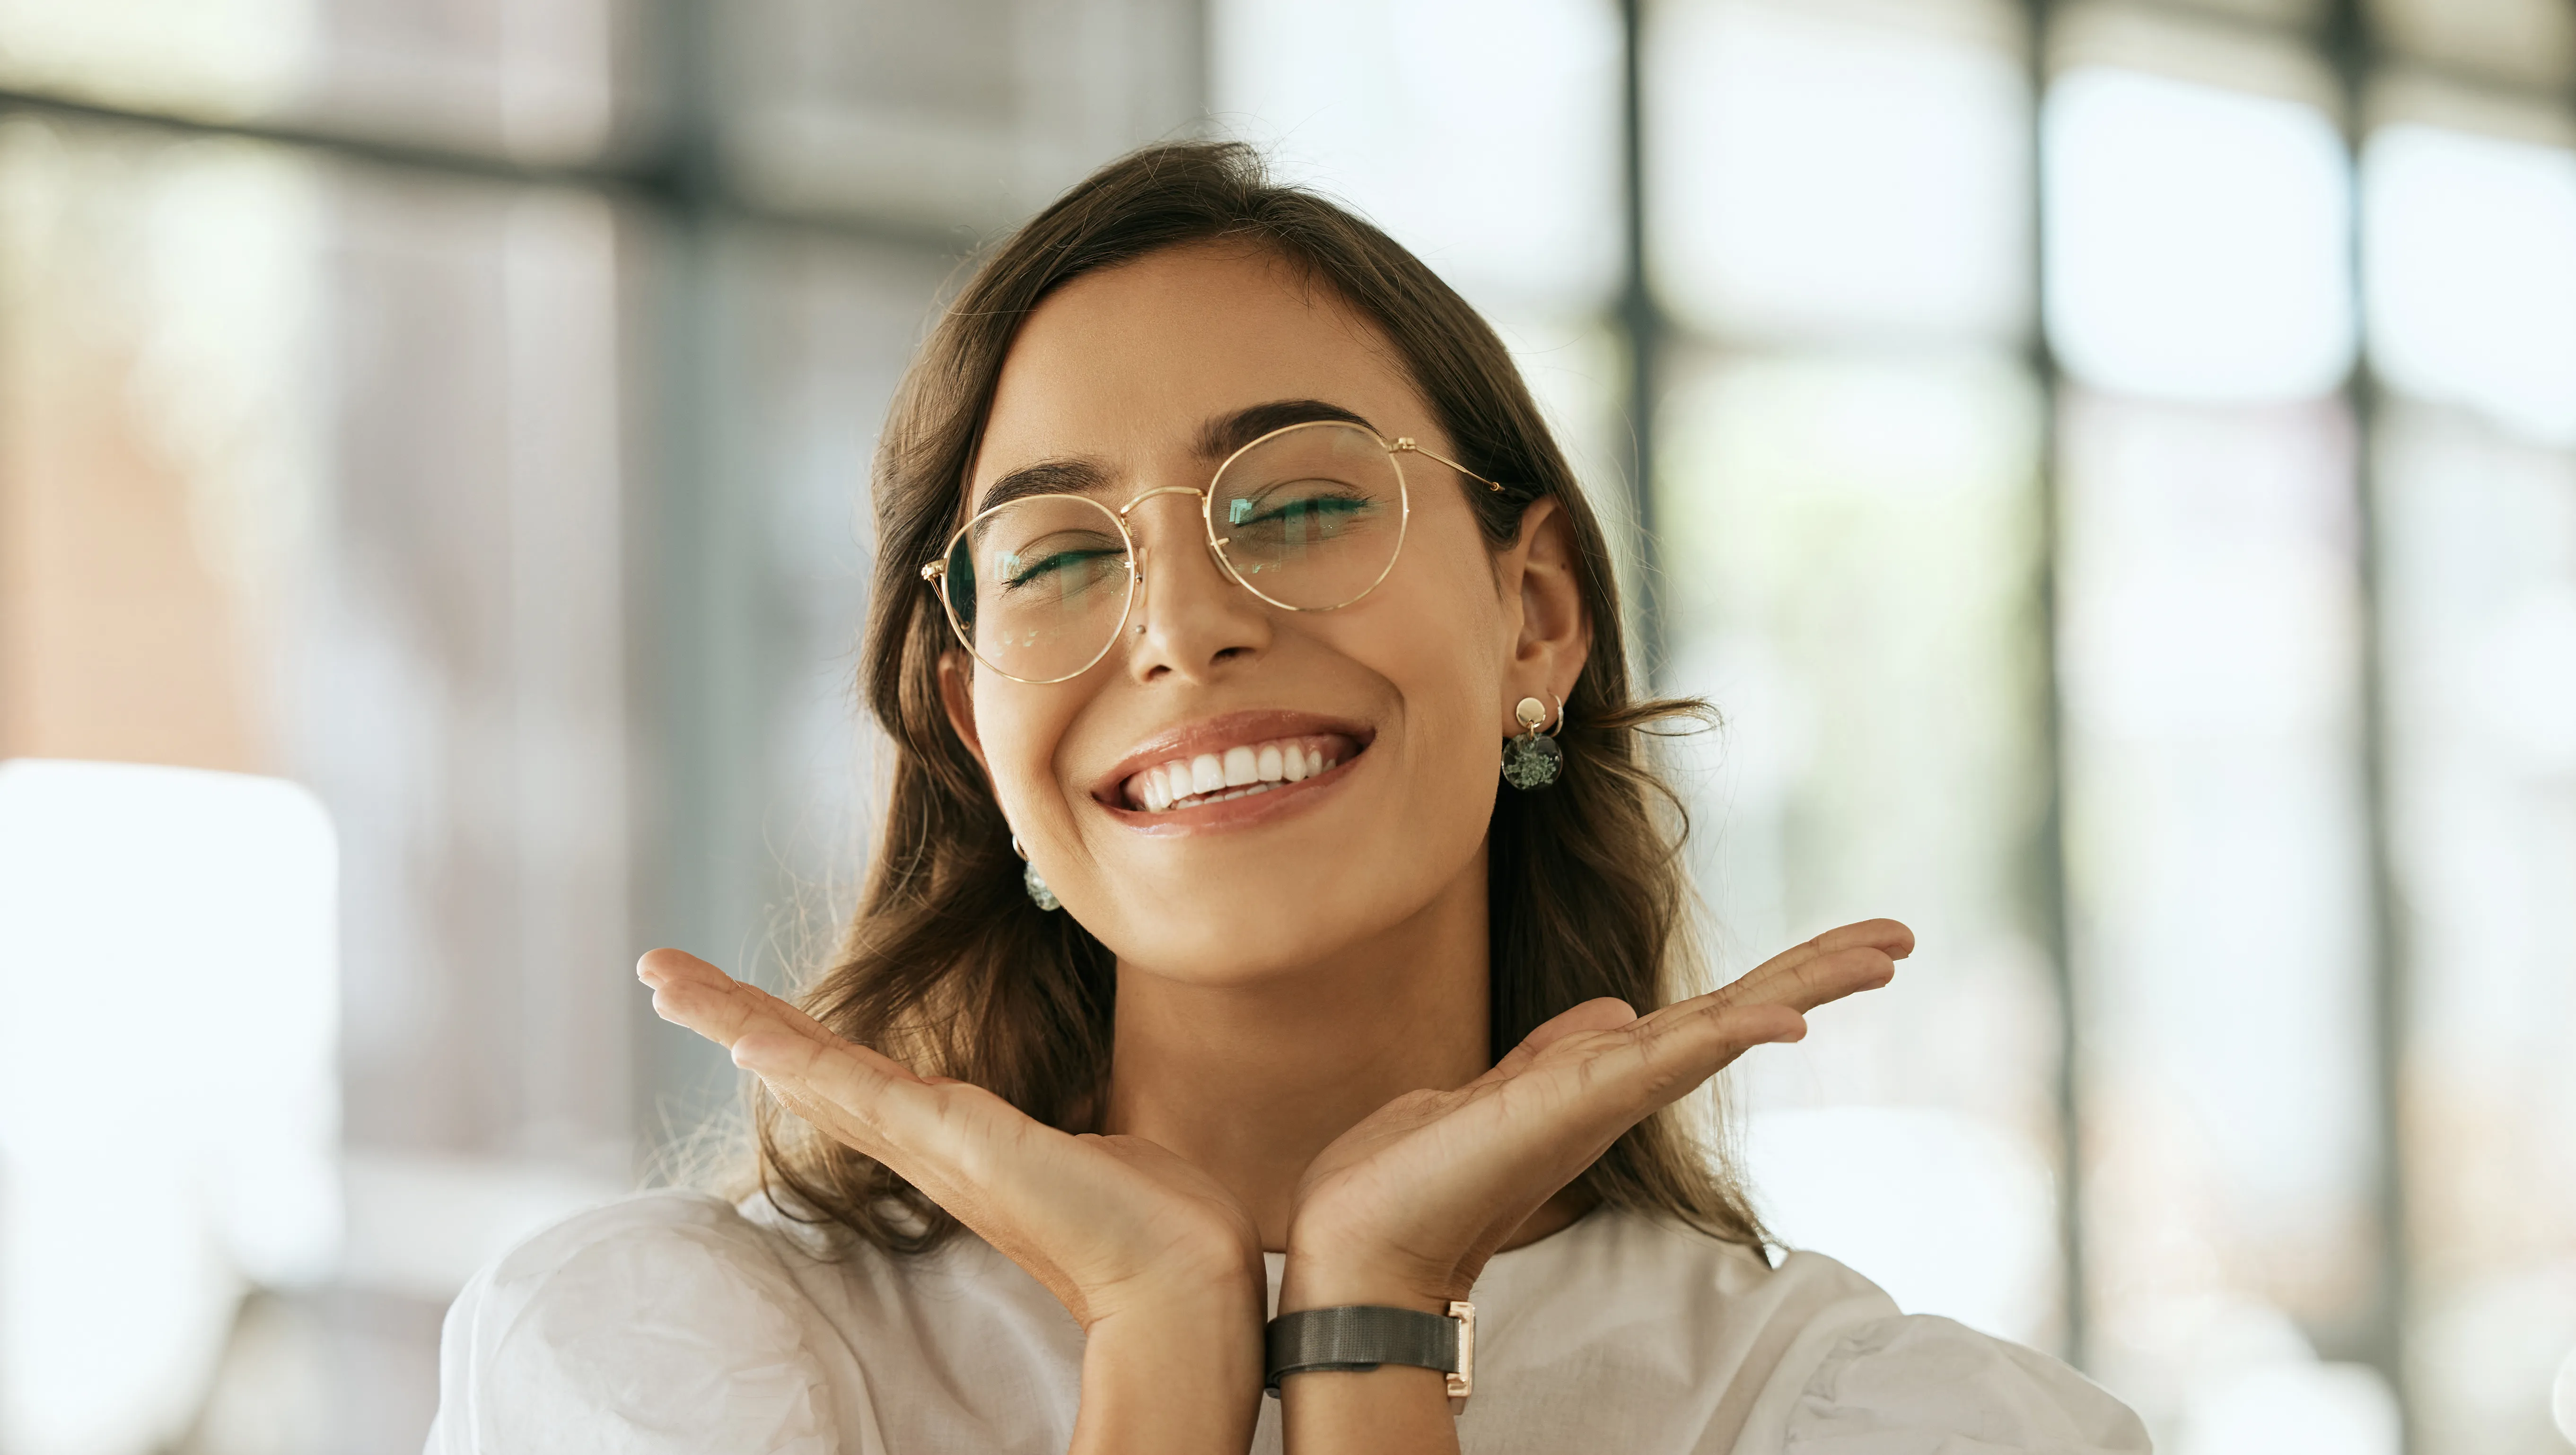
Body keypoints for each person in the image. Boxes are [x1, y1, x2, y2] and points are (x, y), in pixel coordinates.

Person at [425, 141, 2148, 1455]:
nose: (1180, 625)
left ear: (1533, 616)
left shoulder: (1877, 1420)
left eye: (1302, 507)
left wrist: (1371, 1334)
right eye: (1059, 554)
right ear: (969, 723)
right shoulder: (662, 1359)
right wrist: (1159, 1336)